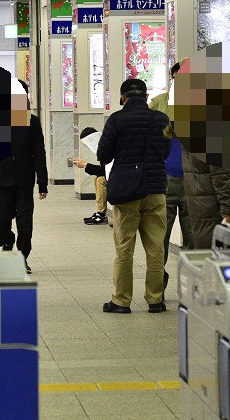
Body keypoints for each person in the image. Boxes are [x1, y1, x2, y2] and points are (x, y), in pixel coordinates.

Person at [95, 78, 171, 314]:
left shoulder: (117, 120)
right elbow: (166, 152)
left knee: (124, 247)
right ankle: (155, 299)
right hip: (156, 189)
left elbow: (103, 154)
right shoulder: (161, 119)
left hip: (128, 191)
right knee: (156, 248)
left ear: (122, 97)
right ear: (146, 97)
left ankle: (121, 301)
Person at [0, 80, 48, 274]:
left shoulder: (32, 121)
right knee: (2, 219)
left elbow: (39, 153)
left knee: (24, 221)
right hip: (2, 179)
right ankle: (7, 241)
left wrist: (43, 183)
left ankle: (22, 257)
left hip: (24, 179)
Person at [148, 62, 193, 295]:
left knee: (193, 239)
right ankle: (157, 288)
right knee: (159, 237)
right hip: (166, 177)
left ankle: (192, 290)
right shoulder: (158, 102)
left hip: (195, 179)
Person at [181, 151, 230, 254]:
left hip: (200, 206)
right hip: (217, 210)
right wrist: (228, 211)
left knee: (208, 257)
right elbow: (222, 176)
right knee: (228, 261)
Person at [79, 127, 108, 225]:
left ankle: (101, 213)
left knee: (101, 180)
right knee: (98, 179)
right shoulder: (104, 147)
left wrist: (86, 165)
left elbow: (105, 170)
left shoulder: (105, 149)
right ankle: (100, 210)